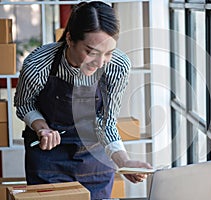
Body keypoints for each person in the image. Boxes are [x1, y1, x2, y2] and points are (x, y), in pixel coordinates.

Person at [14, 1, 152, 199]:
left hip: (93, 159)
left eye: (109, 53)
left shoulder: (118, 67)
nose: (100, 61)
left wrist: (123, 161)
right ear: (70, 39)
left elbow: (106, 121)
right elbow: (24, 104)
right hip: (47, 156)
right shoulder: (39, 64)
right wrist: (41, 127)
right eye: (91, 52)